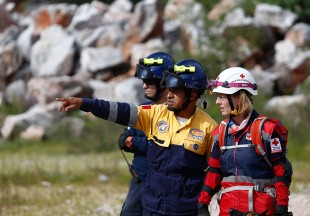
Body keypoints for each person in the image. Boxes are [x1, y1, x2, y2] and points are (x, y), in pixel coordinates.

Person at [56, 59, 218, 216]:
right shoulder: (154, 114)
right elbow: (119, 110)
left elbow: (217, 171)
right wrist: (85, 103)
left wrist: (205, 204)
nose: (169, 95)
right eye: (169, 90)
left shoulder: (211, 128)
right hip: (152, 207)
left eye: (175, 91)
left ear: (193, 94)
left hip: (186, 210)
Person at [197, 67, 293, 216]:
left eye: (222, 96)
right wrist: (202, 204)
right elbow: (214, 172)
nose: (217, 102)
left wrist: (281, 209)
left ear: (238, 97)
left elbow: (281, 173)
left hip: (261, 210)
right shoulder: (220, 133)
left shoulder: (267, 130)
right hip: (228, 210)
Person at [118, 52, 174, 216]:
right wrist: (141, 141)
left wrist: (134, 142)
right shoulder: (142, 109)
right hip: (139, 182)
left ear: (164, 82)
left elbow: (165, 146)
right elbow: (122, 140)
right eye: (143, 81)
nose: (144, 86)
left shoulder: (177, 112)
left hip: (163, 188)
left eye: (149, 82)